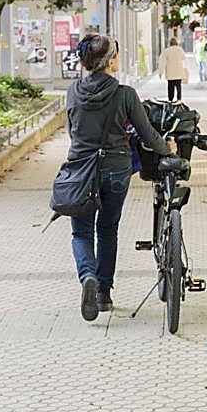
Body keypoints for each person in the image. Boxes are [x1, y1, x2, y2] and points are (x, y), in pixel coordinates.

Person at [66, 34, 171, 321]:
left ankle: (87, 274)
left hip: (81, 170)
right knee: (108, 229)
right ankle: (102, 293)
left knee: (81, 232)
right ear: (110, 61)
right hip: (115, 169)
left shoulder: (73, 91)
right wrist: (166, 149)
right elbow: (147, 133)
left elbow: (72, 130)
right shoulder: (125, 94)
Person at [159, 36, 187, 102]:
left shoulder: (166, 51)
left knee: (170, 87)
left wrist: (161, 72)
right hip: (178, 72)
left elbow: (163, 62)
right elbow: (184, 57)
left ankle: (170, 100)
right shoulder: (180, 50)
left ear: (170, 43)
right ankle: (179, 99)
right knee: (178, 87)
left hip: (170, 73)